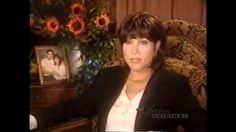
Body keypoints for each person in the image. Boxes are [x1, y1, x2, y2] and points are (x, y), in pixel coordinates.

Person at [30, 12, 206, 131]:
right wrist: (33, 119)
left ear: (157, 47)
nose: (134, 50)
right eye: (129, 42)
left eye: (143, 42)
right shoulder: (109, 77)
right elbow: (73, 107)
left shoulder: (173, 84)